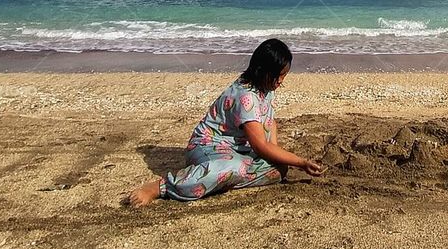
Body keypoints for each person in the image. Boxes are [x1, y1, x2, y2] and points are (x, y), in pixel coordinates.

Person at [122, 38, 324, 207]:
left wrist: (279, 156)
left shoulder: (265, 89)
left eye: (283, 76)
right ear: (263, 71)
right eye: (278, 76)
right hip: (208, 146)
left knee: (278, 170)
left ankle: (221, 180)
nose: (281, 82)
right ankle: (162, 187)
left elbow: (269, 124)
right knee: (234, 168)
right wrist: (301, 162)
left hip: (238, 151)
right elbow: (261, 146)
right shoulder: (246, 97)